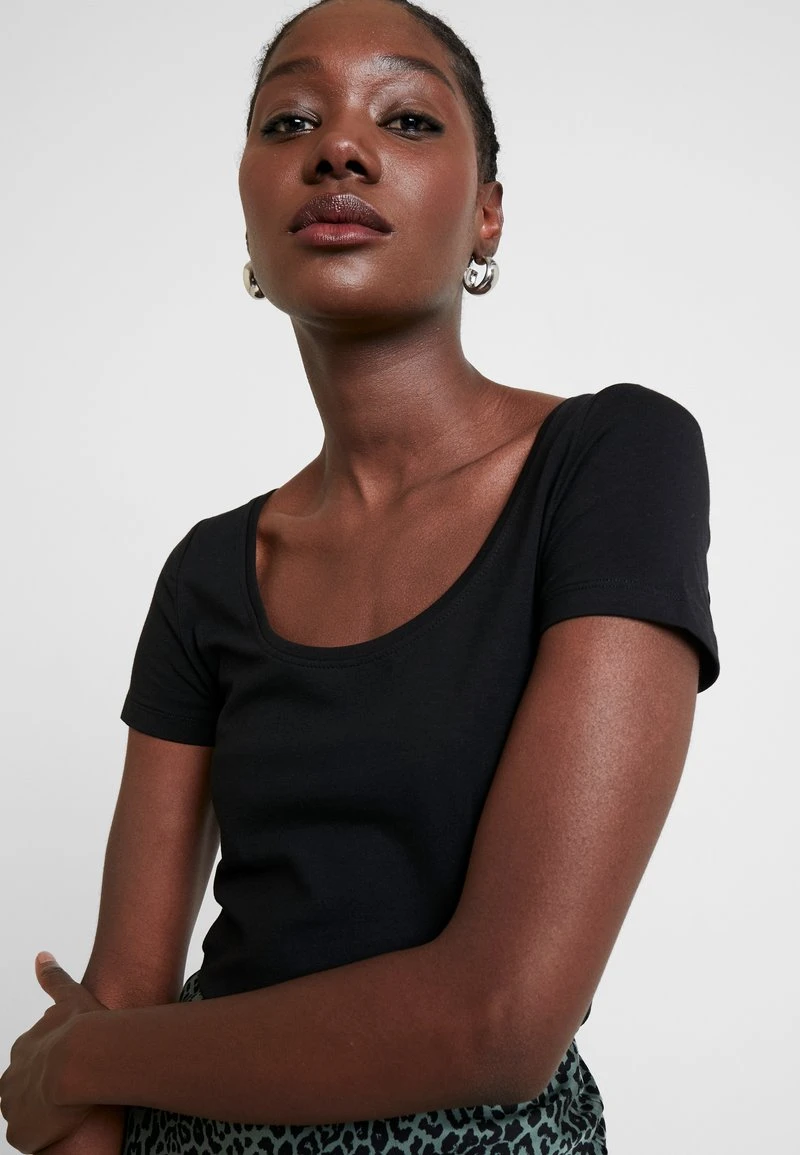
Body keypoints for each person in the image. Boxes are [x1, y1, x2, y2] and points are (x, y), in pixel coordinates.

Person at [0, 0, 719, 1152]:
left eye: (407, 119)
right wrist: (87, 1088)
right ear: (248, 217)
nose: (338, 146)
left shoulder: (610, 463)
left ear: (485, 215)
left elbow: (500, 1020)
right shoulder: (211, 572)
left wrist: (83, 1058)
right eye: (290, 119)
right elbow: (120, 993)